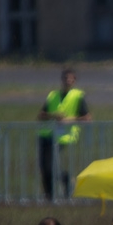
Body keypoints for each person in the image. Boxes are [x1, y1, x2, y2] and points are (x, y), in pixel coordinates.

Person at [35, 67, 88, 201]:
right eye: (65, 78)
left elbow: (87, 117)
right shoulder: (53, 95)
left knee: (50, 166)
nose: (68, 81)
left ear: (74, 81)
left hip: (63, 137)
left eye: (71, 79)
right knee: (44, 167)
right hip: (47, 134)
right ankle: (50, 195)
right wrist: (54, 116)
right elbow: (41, 115)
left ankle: (64, 183)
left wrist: (68, 120)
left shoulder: (78, 96)